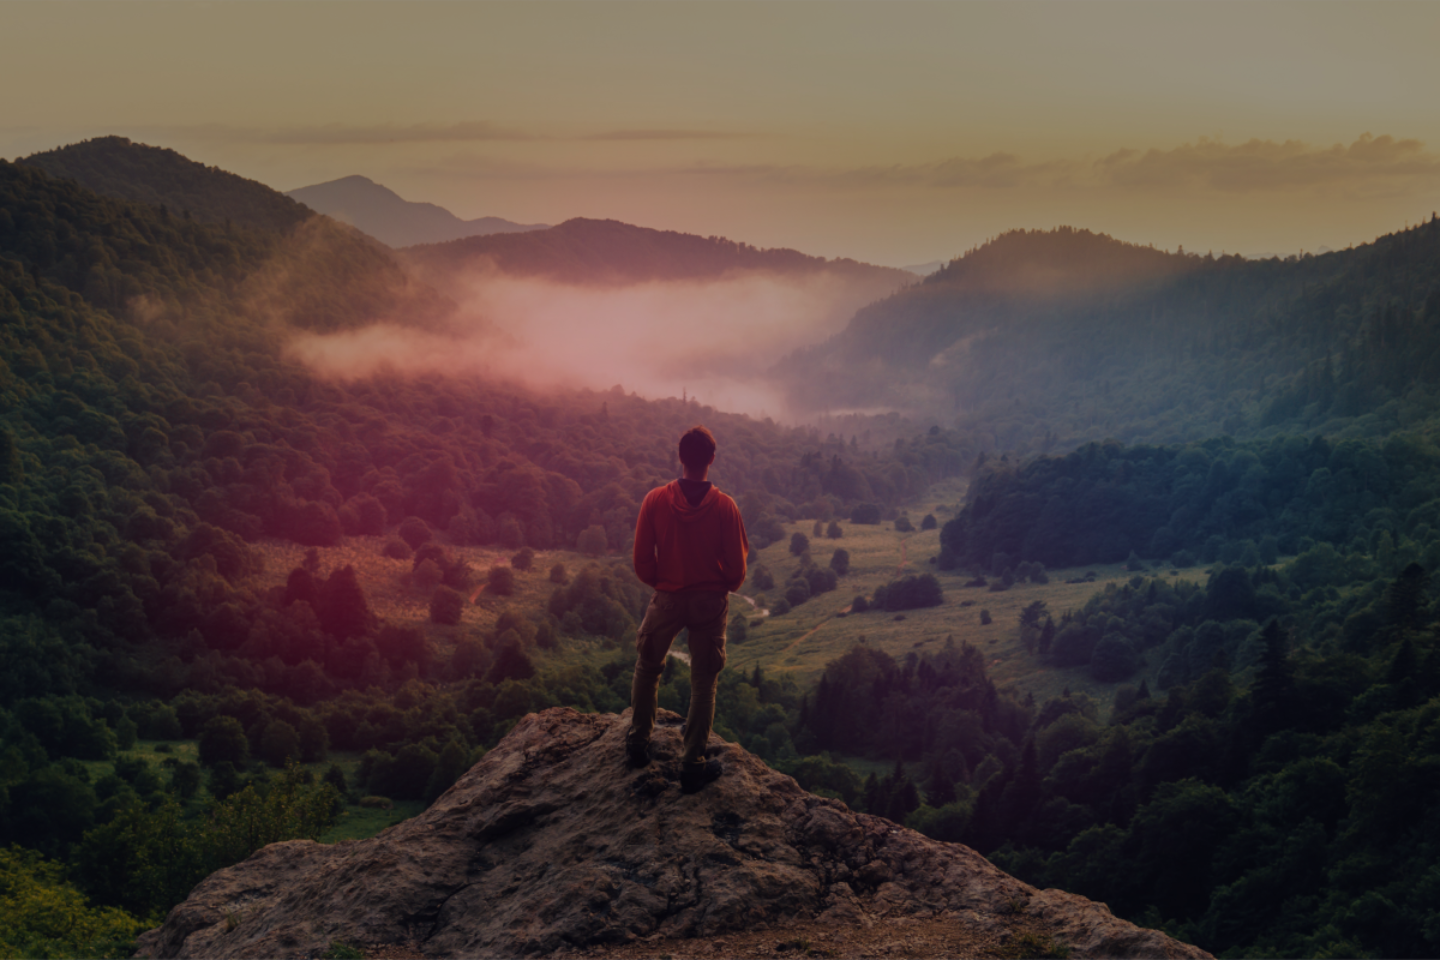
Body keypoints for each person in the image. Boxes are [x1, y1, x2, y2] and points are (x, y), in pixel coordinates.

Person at [626, 425, 749, 792]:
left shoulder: (655, 501)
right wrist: (718, 585)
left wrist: (664, 583)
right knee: (704, 682)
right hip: (709, 601)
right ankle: (692, 763)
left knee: (648, 669)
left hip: (667, 597)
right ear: (712, 459)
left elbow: (642, 560)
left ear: (680, 457)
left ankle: (636, 744)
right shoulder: (725, 506)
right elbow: (737, 569)